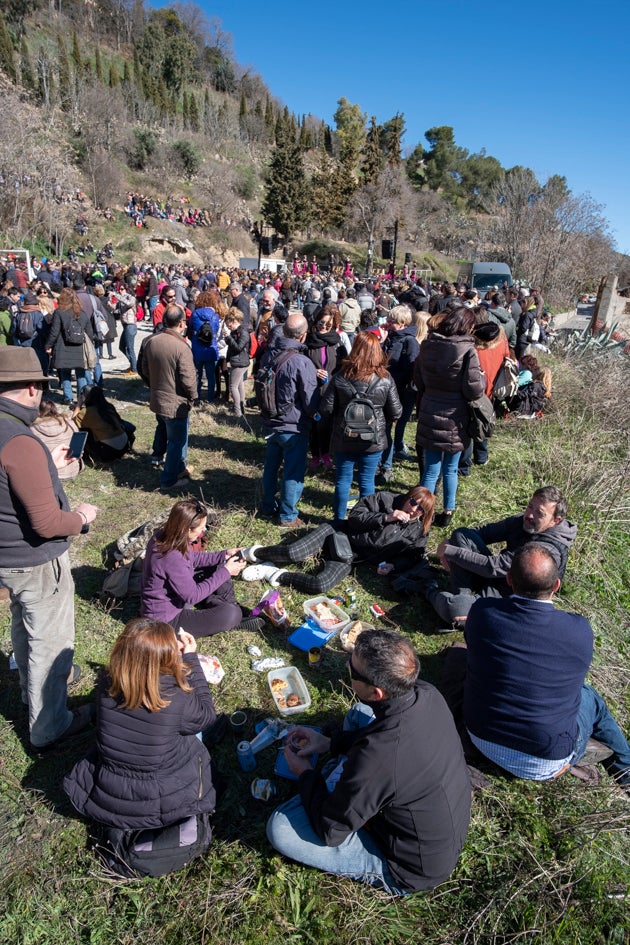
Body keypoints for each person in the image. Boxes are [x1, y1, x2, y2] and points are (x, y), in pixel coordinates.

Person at [266, 629, 471, 894]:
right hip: (434, 819)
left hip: (412, 867)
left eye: (351, 668)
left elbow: (331, 831)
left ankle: (334, 780)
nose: (346, 665)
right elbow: (381, 734)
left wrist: (305, 773)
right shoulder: (425, 691)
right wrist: (330, 743)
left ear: (376, 692)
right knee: (360, 713)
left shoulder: (377, 757)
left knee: (280, 829)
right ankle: (340, 778)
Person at [463, 544, 630, 791]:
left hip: (480, 736)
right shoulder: (579, 630)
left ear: (508, 579)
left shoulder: (483, 612)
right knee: (590, 698)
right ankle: (626, 774)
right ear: (556, 586)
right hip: (547, 761)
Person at [0, 347, 98, 751]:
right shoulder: (20, 441)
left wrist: (47, 471)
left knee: (24, 626)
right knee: (49, 641)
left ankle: (29, 691)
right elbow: (46, 523)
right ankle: (49, 724)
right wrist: (81, 518)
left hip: (5, 556)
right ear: (30, 388)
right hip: (35, 559)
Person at [63, 618, 217, 870]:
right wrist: (190, 660)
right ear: (167, 657)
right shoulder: (176, 697)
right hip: (164, 793)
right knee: (196, 735)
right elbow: (206, 716)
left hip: (111, 791)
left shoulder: (107, 681)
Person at [422, 486, 577, 628]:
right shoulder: (521, 522)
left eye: (539, 513)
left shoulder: (546, 550)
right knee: (462, 534)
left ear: (555, 521)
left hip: (509, 598)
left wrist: (450, 551)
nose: (530, 515)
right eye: (530, 506)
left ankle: (431, 591)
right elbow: (481, 532)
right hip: (498, 579)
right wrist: (450, 543)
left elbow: (494, 567)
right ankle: (465, 600)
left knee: (454, 610)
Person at [241, 487, 435, 593]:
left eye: (420, 509)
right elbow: (355, 516)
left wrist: (392, 565)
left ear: (424, 514)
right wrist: (386, 517)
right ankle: (252, 552)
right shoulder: (385, 499)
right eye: (412, 502)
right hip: (337, 533)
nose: (413, 509)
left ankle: (273, 573)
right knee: (293, 552)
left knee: (320, 584)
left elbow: (412, 556)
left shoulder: (418, 530)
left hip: (350, 555)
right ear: (407, 497)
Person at [140, 499, 259, 637]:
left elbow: (192, 558)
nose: (203, 531)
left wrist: (223, 555)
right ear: (187, 529)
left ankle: (228, 607)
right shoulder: (171, 557)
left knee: (220, 564)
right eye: (201, 528)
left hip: (177, 597)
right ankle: (232, 614)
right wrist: (227, 571)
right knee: (231, 614)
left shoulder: (167, 535)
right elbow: (192, 596)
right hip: (165, 621)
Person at [320, 331, 401, 526]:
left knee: (343, 481)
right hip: (372, 440)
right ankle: (366, 522)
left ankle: (338, 521)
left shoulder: (340, 376)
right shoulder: (385, 378)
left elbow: (326, 408)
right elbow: (396, 411)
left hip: (344, 437)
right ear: (377, 352)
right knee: (367, 482)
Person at [414, 307, 485, 528]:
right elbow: (474, 390)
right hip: (455, 415)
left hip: (430, 408)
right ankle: (447, 511)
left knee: (431, 467)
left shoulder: (427, 345)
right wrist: (480, 378)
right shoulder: (467, 350)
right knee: (450, 468)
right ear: (466, 326)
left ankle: (422, 511)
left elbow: (418, 379)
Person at [260, 314, 320, 527]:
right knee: (293, 472)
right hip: (293, 425)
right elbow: (310, 401)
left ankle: (267, 506)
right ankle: (287, 515)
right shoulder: (302, 362)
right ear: (303, 336)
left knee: (271, 466)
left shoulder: (268, 355)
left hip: (271, 421)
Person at [138, 304, 196, 490]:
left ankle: (179, 468)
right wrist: (193, 397)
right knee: (176, 442)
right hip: (175, 402)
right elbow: (188, 379)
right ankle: (169, 479)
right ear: (181, 323)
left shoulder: (150, 340)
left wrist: (153, 385)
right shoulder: (181, 347)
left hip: (158, 397)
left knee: (166, 431)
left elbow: (143, 369)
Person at [380, 304, 420, 474]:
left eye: (392, 321)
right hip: (386, 389)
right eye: (388, 319)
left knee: (395, 424)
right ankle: (385, 461)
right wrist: (381, 342)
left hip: (402, 391)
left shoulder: (409, 342)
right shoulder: (389, 338)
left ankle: (390, 460)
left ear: (403, 323)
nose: (388, 323)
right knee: (386, 426)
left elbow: (413, 368)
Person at [46, 287, 95, 405]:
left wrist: (48, 345)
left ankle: (68, 397)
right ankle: (82, 397)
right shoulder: (82, 313)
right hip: (79, 347)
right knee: (81, 374)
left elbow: (54, 331)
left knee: (65, 373)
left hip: (63, 346)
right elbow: (90, 332)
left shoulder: (59, 312)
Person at [72, 385, 135, 462]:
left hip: (109, 453)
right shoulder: (109, 406)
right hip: (124, 447)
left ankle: (80, 455)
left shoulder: (86, 412)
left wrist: (78, 405)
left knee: (82, 429)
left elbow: (73, 422)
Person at [31, 397, 83, 480]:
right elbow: (79, 449)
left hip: (50, 473)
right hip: (73, 470)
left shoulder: (32, 429)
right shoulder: (69, 423)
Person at [189, 290, 220, 403]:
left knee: (197, 374)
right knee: (211, 375)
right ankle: (210, 398)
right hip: (211, 347)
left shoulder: (195, 314)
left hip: (197, 346)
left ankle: (196, 398)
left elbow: (191, 328)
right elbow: (215, 330)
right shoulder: (215, 316)